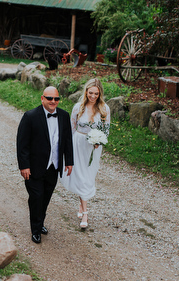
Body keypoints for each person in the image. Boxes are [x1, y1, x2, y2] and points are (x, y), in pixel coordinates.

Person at [17, 86, 74, 244]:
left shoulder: (63, 115)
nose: (53, 101)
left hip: (53, 167)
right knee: (36, 197)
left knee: (46, 197)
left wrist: (69, 161)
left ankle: (40, 222)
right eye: (49, 98)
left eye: (56, 99)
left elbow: (67, 141)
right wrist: (24, 166)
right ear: (42, 98)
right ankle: (35, 230)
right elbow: (22, 144)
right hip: (34, 167)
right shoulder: (30, 116)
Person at [60, 78, 110, 229]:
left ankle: (82, 206)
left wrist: (99, 141)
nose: (93, 96)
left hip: (93, 147)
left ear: (100, 94)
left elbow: (106, 130)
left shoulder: (104, 109)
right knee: (80, 176)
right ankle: (85, 213)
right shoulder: (78, 107)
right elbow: (72, 128)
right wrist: (68, 148)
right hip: (78, 143)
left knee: (88, 177)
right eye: (90, 93)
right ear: (86, 92)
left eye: (96, 93)